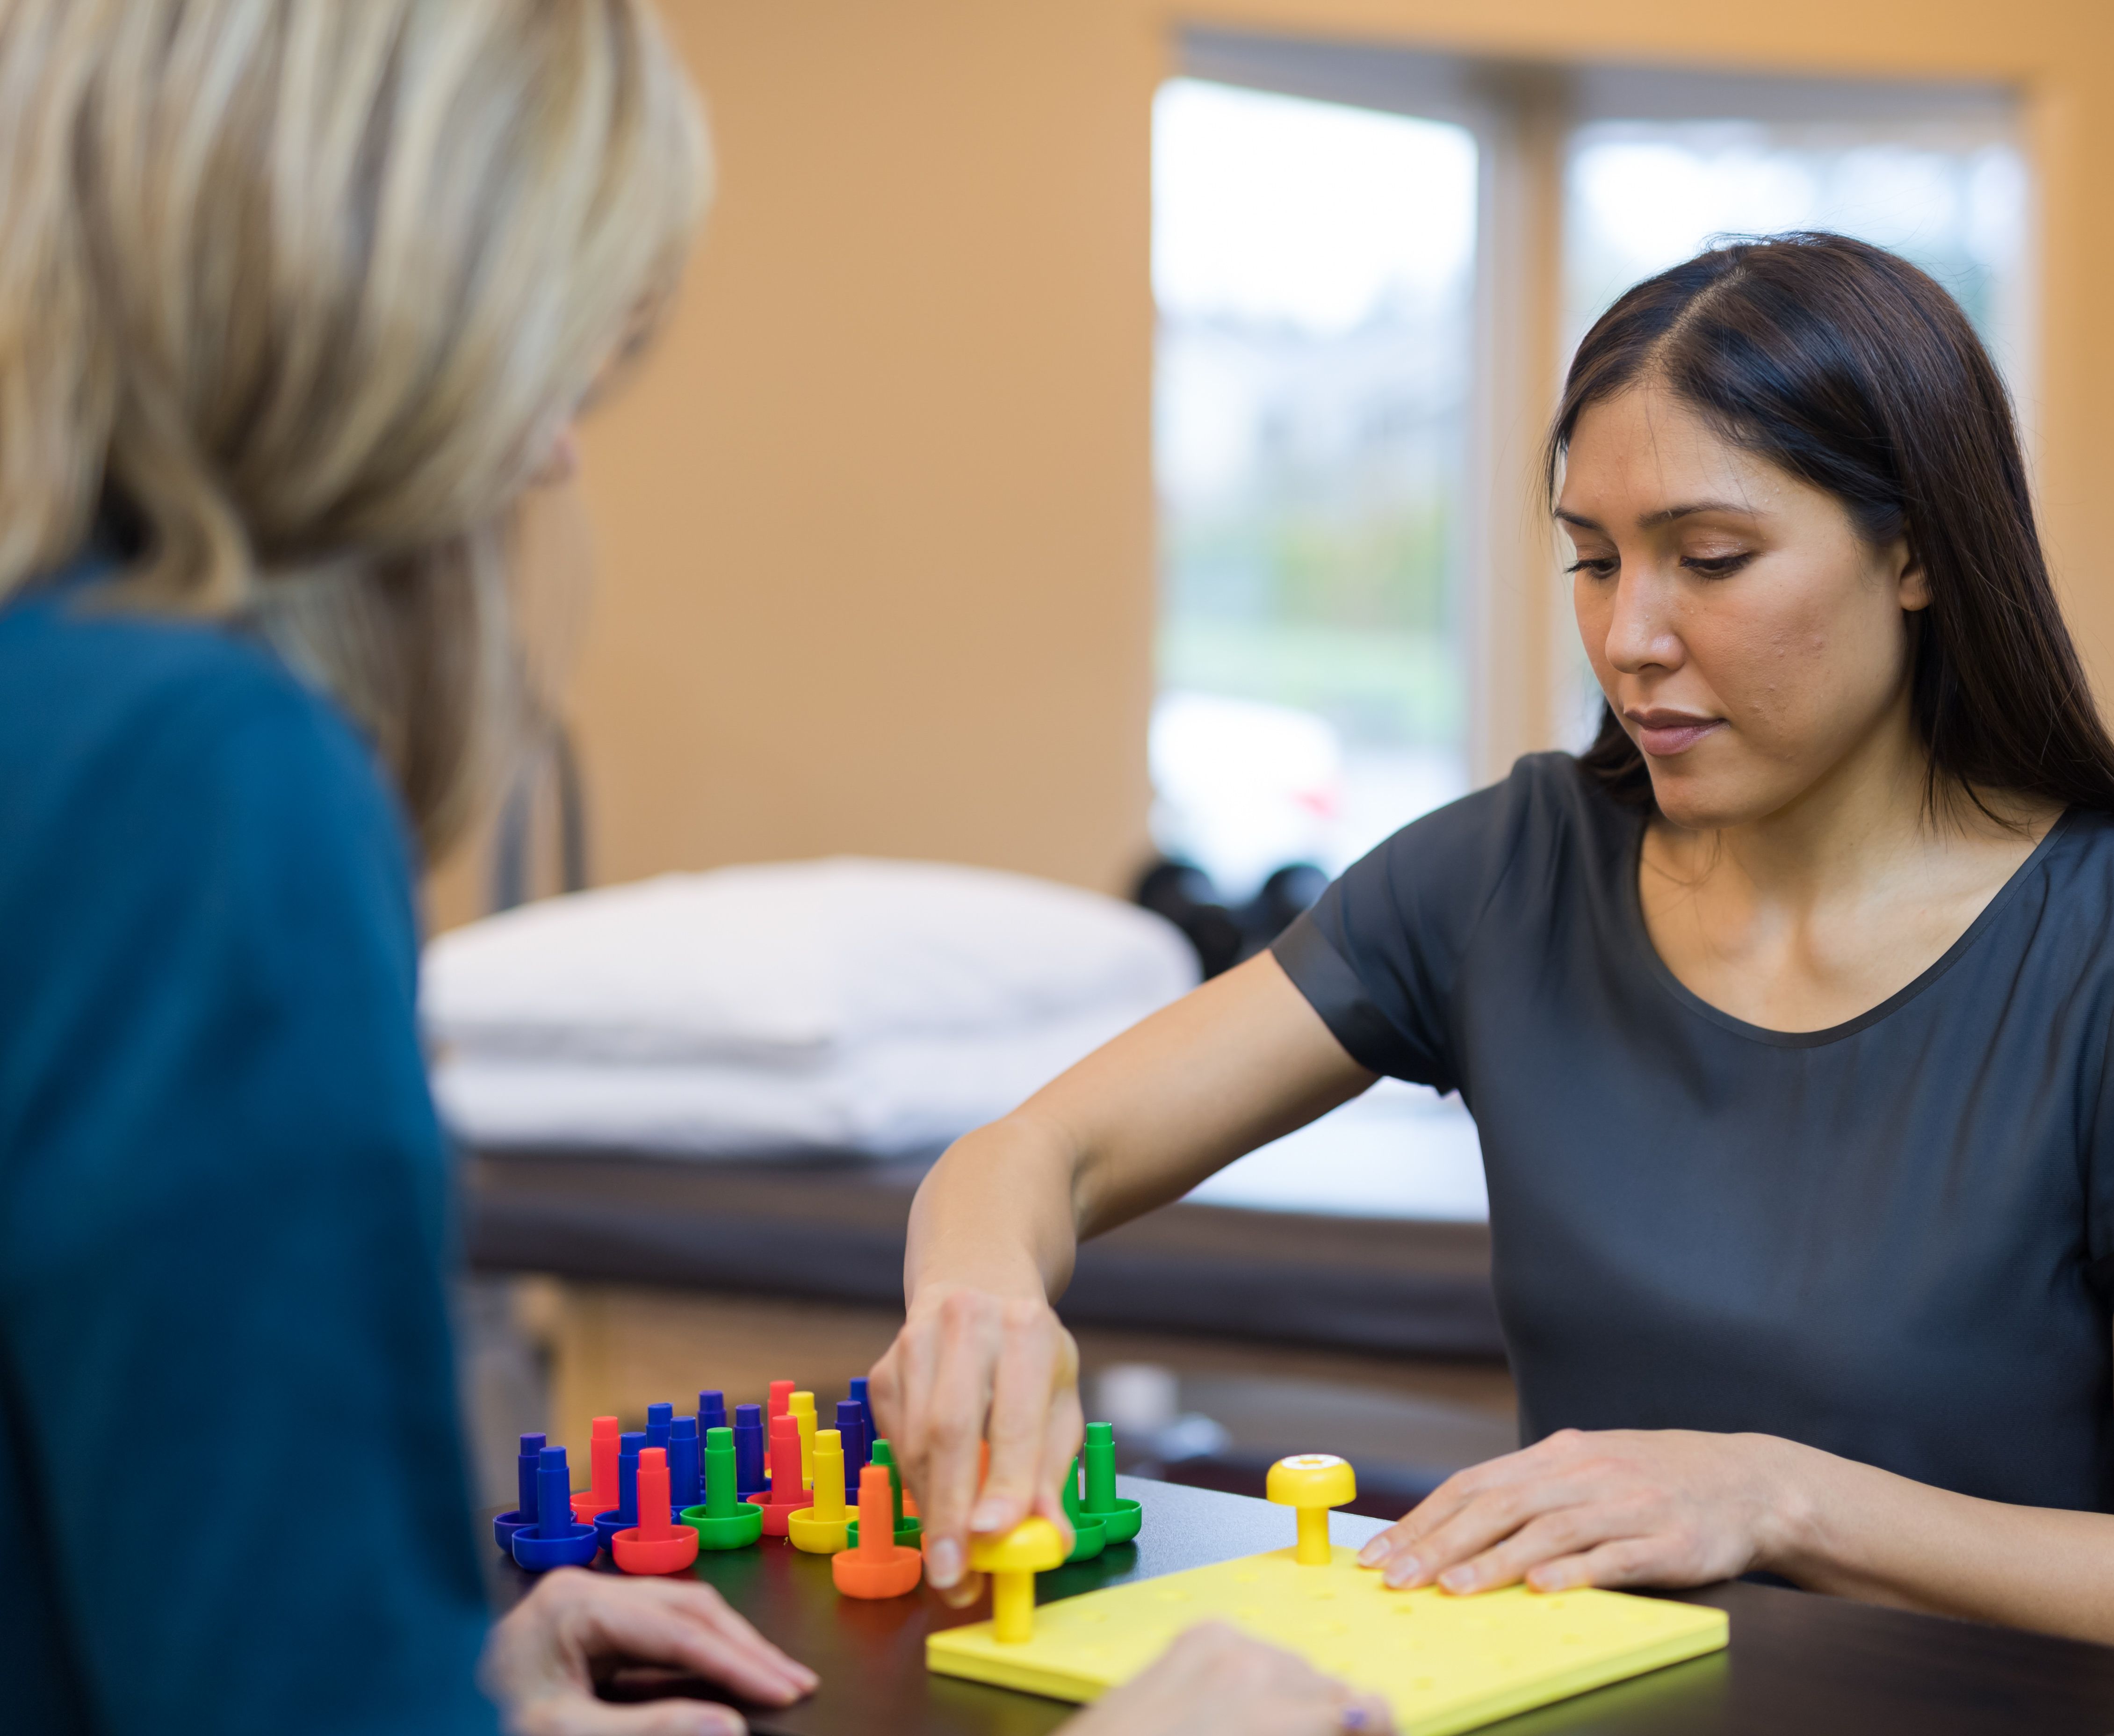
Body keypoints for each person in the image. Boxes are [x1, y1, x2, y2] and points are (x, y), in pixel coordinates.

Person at [0, 5, 1381, 1734]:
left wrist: (445, 1683)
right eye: (557, 350)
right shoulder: (204, 790)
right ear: (384, 302)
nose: (560, 445)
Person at [873, 233, 2114, 1724]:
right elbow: (1036, 1156)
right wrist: (978, 1295)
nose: (1629, 638)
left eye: (1710, 561)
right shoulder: (1504, 875)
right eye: (1593, 560)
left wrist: (1777, 1499)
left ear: (1915, 551)